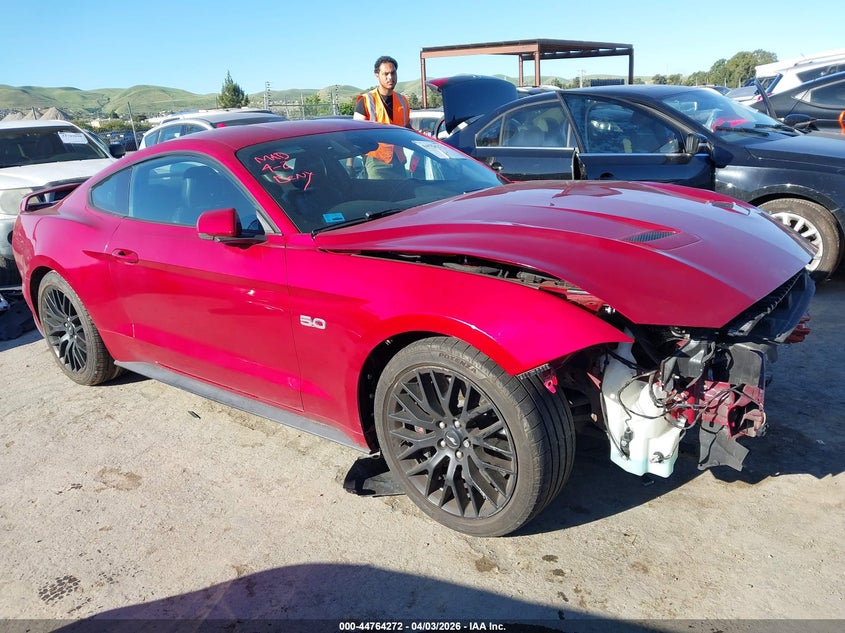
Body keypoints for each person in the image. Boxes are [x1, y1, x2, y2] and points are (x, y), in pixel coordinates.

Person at [353, 55, 411, 179]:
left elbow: (407, 128)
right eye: (386, 74)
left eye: (393, 73)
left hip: (399, 160)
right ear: (377, 75)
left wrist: (422, 136)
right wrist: (350, 166)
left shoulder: (403, 101)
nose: (390, 77)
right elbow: (354, 135)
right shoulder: (366, 101)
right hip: (376, 162)